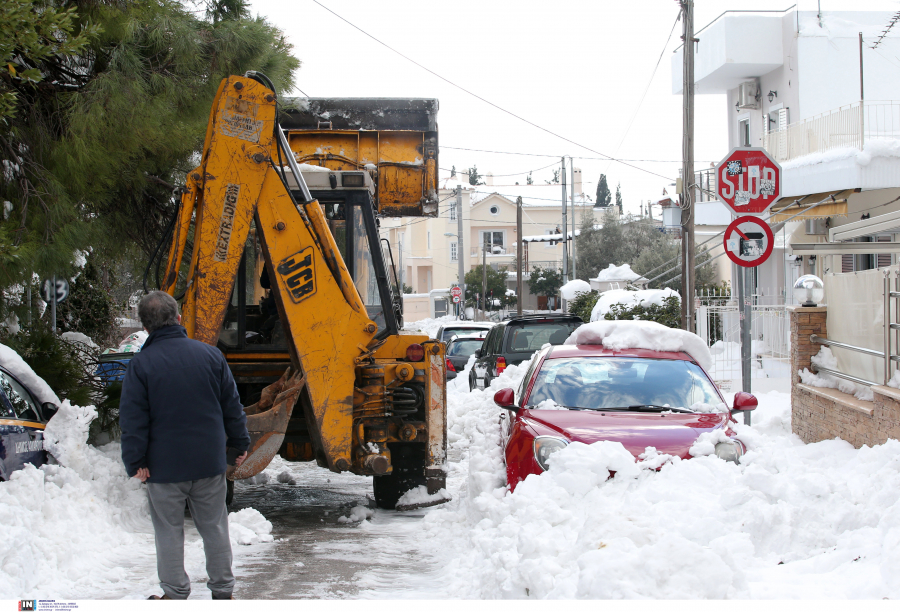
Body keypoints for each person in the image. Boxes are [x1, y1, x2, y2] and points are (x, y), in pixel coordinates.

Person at [120, 291, 251, 600]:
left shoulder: (141, 366)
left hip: (164, 468)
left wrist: (135, 461)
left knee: (168, 531)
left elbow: (133, 420)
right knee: (215, 527)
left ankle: (175, 593)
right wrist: (239, 443)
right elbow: (232, 407)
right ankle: (223, 590)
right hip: (208, 462)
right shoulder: (211, 356)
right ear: (178, 318)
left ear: (146, 327)